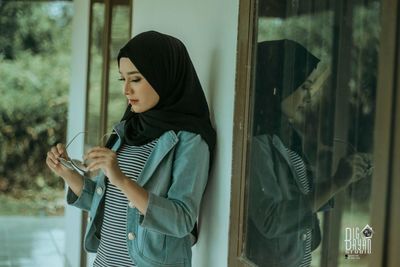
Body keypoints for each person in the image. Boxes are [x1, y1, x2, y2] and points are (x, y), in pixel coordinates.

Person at [46, 31, 216, 267]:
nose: (126, 89)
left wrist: (122, 180)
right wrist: (67, 173)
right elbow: (111, 203)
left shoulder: (190, 140)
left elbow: (182, 221)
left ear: (163, 76)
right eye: (122, 79)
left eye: (135, 79)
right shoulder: (128, 129)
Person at [246, 40, 372, 267]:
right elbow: (271, 220)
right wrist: (334, 183)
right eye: (304, 87)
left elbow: (298, 196)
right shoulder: (257, 143)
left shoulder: (286, 136)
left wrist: (344, 177)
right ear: (278, 86)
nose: (309, 97)